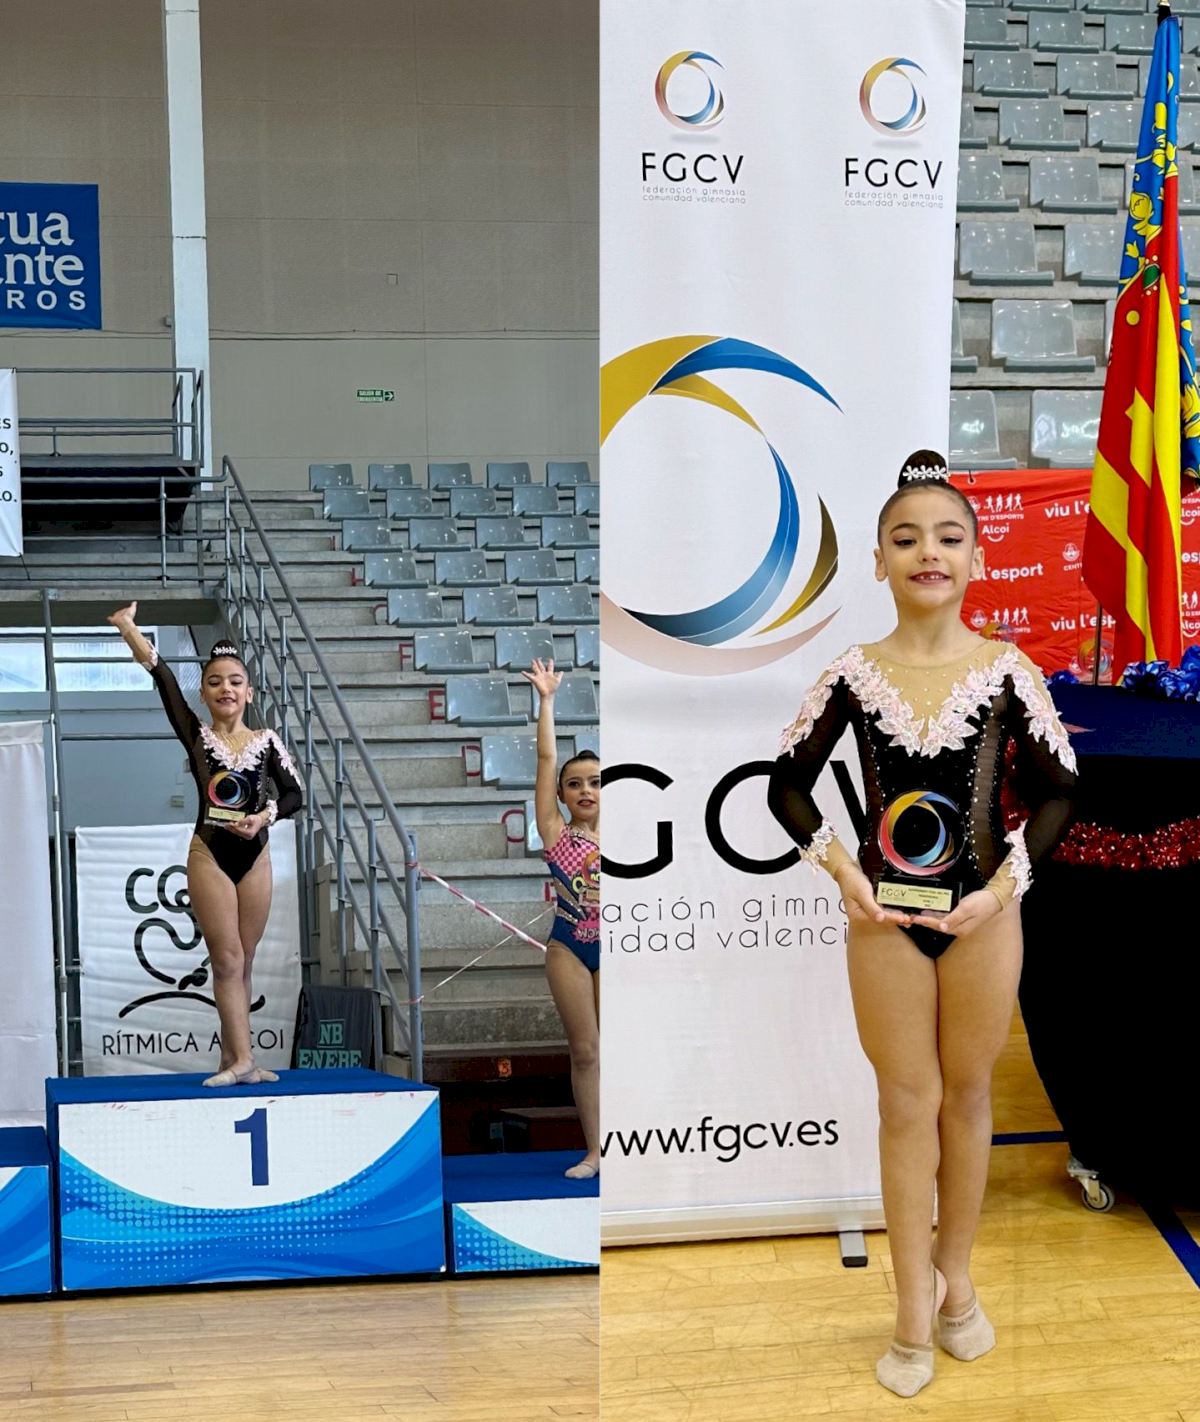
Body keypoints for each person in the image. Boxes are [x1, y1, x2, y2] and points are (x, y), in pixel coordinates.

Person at [767, 458, 1077, 1398]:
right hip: (885, 920)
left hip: (984, 916)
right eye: (906, 539)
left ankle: (956, 1280)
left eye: (947, 538)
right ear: (878, 562)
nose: (927, 553)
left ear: (977, 559)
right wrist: (843, 872)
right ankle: (910, 1311)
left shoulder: (1007, 670)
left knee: (968, 1097)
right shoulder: (853, 675)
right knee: (905, 1104)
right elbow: (786, 785)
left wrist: (1006, 886)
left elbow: (1061, 792)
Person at [108, 602, 303, 1087]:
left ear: (249, 691)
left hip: (256, 854)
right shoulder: (196, 736)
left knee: (245, 961)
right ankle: (244, 1060)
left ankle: (235, 1059)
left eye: (235, 681)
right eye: (215, 682)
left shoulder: (268, 741)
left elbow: (295, 794)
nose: (225, 689)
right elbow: (162, 677)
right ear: (204, 692)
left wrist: (263, 817)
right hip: (210, 853)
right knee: (227, 959)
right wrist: (128, 627)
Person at [522, 657, 600, 1180]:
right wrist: (547, 700)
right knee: (586, 1050)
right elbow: (546, 758)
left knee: (621, 1049)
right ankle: (595, 1151)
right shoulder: (555, 831)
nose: (585, 791)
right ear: (561, 794)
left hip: (618, 947)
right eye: (575, 784)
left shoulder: (632, 836)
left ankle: (632, 1147)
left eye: (595, 782)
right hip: (569, 946)